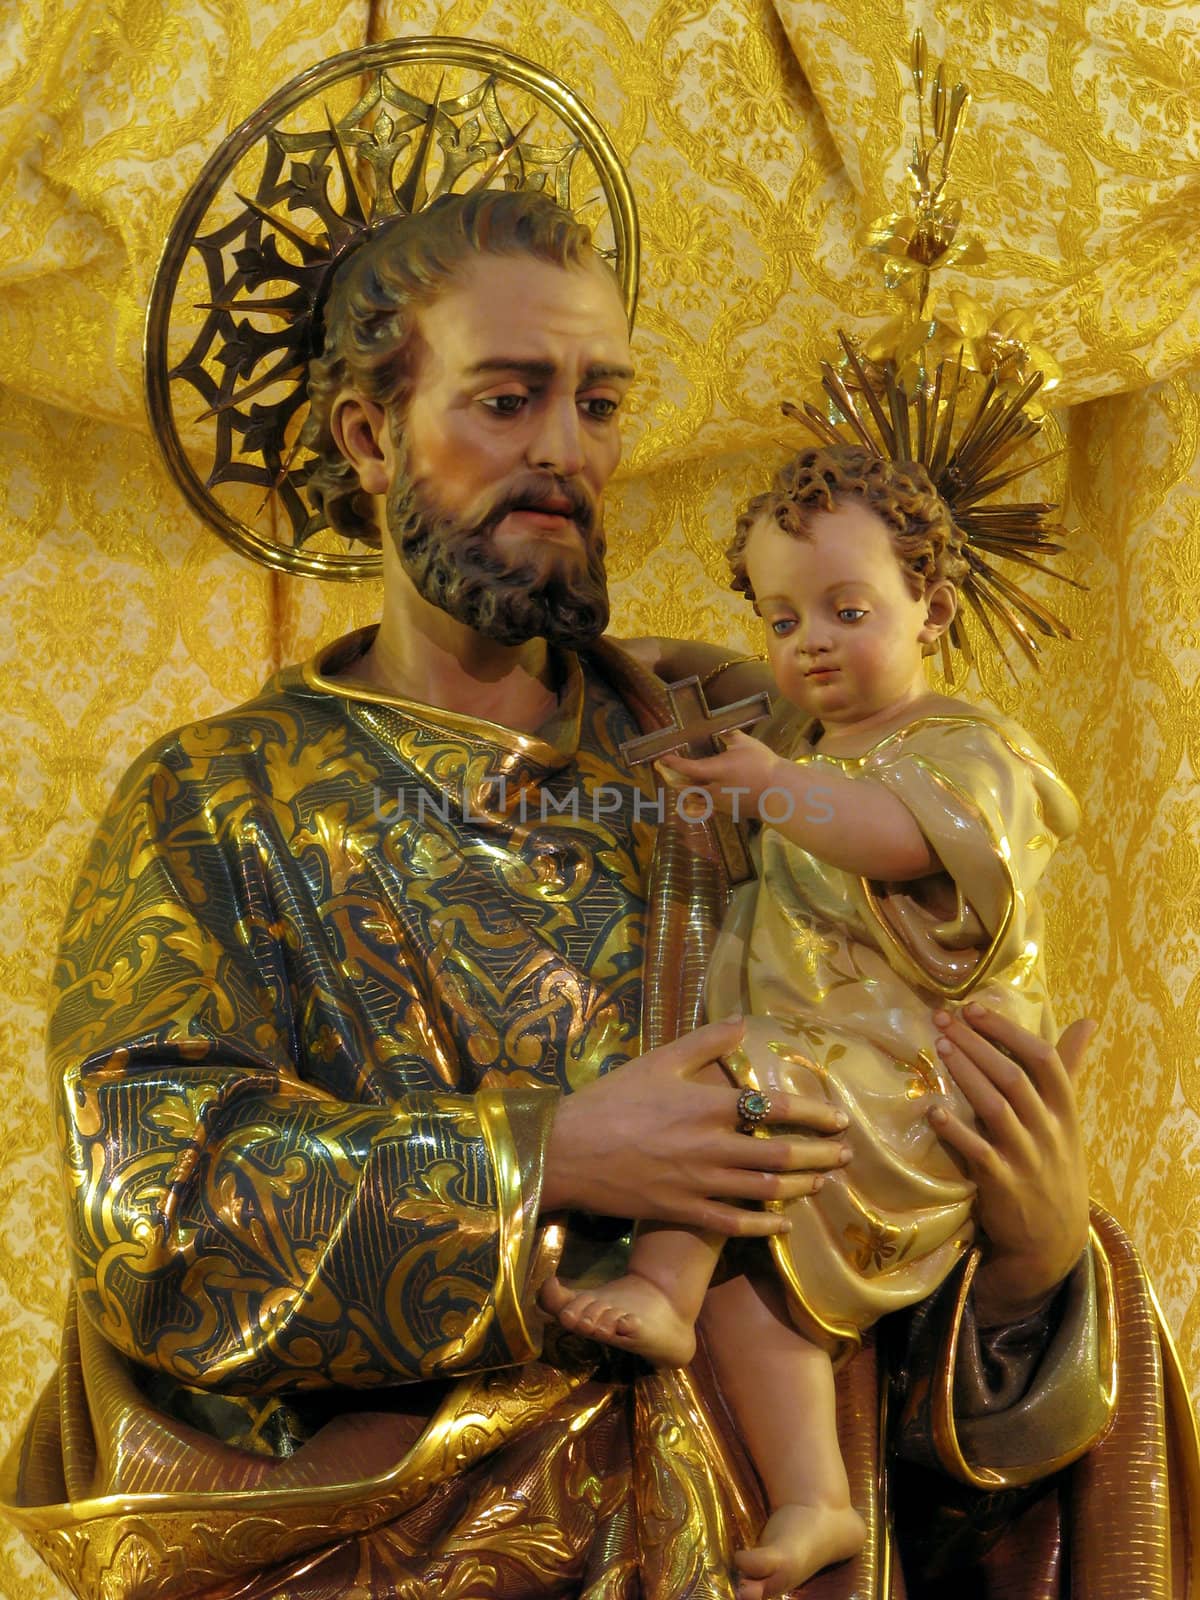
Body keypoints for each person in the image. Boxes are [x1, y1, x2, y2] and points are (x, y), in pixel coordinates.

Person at [0, 187, 1173, 1600]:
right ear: (371, 435)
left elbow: (875, 1166)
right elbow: (161, 1213)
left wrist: (1035, 1268)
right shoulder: (218, 808)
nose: (565, 449)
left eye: (600, 402)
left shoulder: (750, 743)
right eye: (507, 399)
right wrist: (548, 1156)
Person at [542, 442, 1081, 1597]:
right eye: (783, 621)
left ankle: (657, 1287)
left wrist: (770, 788)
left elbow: (898, 836)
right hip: (818, 1076)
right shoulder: (806, 757)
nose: (812, 643)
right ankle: (815, 1496)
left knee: (726, 1108)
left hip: (910, 1078)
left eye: (847, 607)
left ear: (930, 607)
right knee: (752, 1265)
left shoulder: (965, 746)